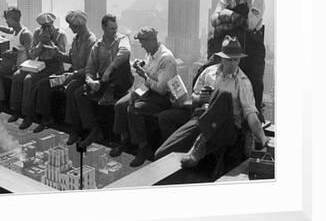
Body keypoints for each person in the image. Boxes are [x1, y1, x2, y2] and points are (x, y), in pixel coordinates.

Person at [154, 36, 268, 169]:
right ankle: (192, 153)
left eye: (235, 60)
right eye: (228, 59)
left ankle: (199, 146)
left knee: (222, 95)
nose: (232, 63)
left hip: (226, 127)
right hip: (202, 120)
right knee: (161, 154)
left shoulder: (242, 81)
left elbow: (251, 114)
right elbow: (194, 99)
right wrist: (200, 98)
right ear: (221, 58)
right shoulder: (208, 73)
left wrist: (263, 138)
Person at [111, 27, 177, 167]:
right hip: (147, 90)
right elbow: (150, 72)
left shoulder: (166, 58)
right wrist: (142, 65)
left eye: (143, 42)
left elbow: (161, 89)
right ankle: (124, 140)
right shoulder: (150, 53)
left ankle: (143, 147)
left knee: (134, 108)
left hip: (162, 97)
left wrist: (144, 75)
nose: (141, 45)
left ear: (152, 41)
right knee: (120, 105)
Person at [209, 0, 266, 111]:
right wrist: (235, 20)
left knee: (253, 86)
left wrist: (228, 14)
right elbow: (214, 20)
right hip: (230, 52)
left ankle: (253, 124)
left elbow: (250, 24)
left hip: (251, 53)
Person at [72, 14, 134, 148]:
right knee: (79, 93)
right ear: (104, 28)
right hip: (105, 81)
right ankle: (94, 129)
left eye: (115, 28)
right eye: (111, 28)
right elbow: (90, 69)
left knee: (121, 63)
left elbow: (125, 52)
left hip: (120, 80)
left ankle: (110, 91)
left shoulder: (122, 39)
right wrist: (91, 82)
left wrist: (109, 69)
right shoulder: (97, 46)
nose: (114, 31)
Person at [32, 10, 97, 134]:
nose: (70, 27)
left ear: (78, 26)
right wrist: (57, 52)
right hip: (72, 74)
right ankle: (46, 117)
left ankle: (74, 127)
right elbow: (70, 58)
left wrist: (74, 74)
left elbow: (90, 68)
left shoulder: (91, 42)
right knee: (45, 84)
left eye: (71, 25)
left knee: (71, 90)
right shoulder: (77, 38)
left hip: (81, 77)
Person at [8, 12, 68, 130]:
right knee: (17, 76)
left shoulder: (60, 35)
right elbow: (31, 54)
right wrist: (40, 44)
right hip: (39, 64)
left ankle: (28, 114)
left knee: (29, 80)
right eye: (43, 26)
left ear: (52, 24)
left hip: (54, 67)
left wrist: (50, 43)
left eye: (48, 26)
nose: (45, 29)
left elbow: (62, 56)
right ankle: (15, 109)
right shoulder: (37, 33)